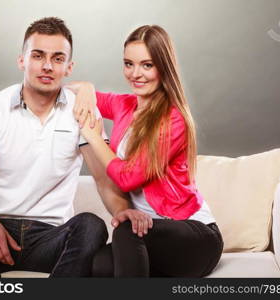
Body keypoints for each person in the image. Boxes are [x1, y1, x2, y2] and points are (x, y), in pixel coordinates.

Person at [0, 17, 112, 277]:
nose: (47, 66)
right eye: (38, 56)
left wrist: (126, 215)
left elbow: (104, 179)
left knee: (92, 226)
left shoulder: (81, 110)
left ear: (69, 67)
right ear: (22, 60)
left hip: (50, 238)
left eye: (58, 59)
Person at [71, 25, 224, 277]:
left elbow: (128, 177)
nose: (135, 74)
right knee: (99, 265)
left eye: (147, 65)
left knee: (127, 230)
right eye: (128, 64)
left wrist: (94, 137)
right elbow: (70, 93)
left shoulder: (174, 119)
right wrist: (86, 87)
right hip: (149, 233)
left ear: (163, 66)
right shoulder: (125, 105)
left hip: (195, 236)